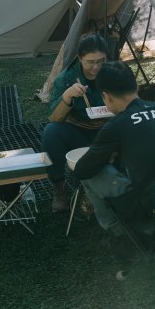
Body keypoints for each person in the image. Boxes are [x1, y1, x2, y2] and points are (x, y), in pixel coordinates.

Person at [73, 60, 155, 257]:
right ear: (137, 87)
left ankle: (121, 235)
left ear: (105, 96)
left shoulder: (117, 124)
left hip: (151, 211)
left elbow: (83, 169)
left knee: (91, 174)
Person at [42, 33, 110, 212]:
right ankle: (59, 189)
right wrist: (67, 96)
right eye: (90, 62)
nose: (96, 67)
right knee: (52, 132)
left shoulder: (113, 72)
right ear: (80, 58)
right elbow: (54, 118)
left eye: (101, 61)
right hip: (78, 131)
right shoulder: (66, 78)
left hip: (108, 130)